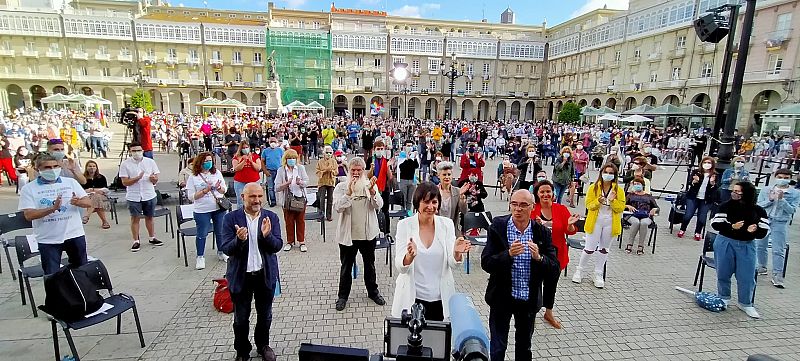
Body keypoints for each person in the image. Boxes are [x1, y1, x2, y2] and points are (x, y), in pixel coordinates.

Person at [482, 190, 558, 361]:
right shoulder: (497, 227)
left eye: (523, 205)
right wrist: (507, 255)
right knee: (497, 347)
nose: (518, 209)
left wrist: (539, 258)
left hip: (528, 301)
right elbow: (486, 263)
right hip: (501, 298)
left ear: (532, 207)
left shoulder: (541, 232)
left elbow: (554, 268)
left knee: (524, 347)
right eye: (514, 204)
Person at [220, 183, 282, 361]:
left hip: (264, 274)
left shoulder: (271, 217)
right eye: (252, 197)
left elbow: (277, 246)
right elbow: (226, 249)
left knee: (265, 315)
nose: (257, 200)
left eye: (260, 196)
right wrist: (239, 240)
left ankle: (263, 345)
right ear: (243, 197)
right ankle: (242, 350)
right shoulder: (231, 219)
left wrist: (267, 236)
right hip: (241, 276)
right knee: (241, 318)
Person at [392, 182, 472, 321]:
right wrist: (409, 256)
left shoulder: (446, 224)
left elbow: (453, 264)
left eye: (434, 202)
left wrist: (456, 253)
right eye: (426, 202)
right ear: (417, 203)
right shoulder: (405, 225)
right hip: (412, 298)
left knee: (438, 340)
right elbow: (400, 267)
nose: (430, 207)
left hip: (440, 298)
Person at [18, 153, 93, 274]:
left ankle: (80, 292)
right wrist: (52, 208)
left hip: (74, 234)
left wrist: (78, 202)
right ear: (38, 169)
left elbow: (88, 202)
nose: (52, 170)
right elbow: (29, 215)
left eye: (55, 166)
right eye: (47, 168)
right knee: (52, 276)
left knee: (81, 271)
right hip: (48, 239)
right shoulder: (29, 189)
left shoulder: (70, 183)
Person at [332, 157, 386, 311]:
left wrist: (373, 192)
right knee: (346, 266)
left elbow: (379, 205)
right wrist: (348, 193)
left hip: (367, 234)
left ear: (363, 171)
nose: (356, 173)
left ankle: (373, 292)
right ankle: (342, 296)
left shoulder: (369, 185)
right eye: (353, 170)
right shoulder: (341, 187)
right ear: (349, 170)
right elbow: (338, 208)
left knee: (370, 265)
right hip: (348, 235)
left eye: (359, 170)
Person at [709, 181, 769, 318]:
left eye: (738, 192)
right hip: (725, 242)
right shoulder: (725, 206)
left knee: (746, 276)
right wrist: (731, 227)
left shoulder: (758, 210)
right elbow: (715, 223)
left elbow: (764, 231)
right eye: (733, 191)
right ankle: (723, 297)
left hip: (747, 245)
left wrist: (755, 230)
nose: (734, 194)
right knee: (723, 272)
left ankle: (746, 303)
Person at [530, 180, 579, 329]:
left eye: (548, 191)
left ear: (553, 194)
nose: (545, 194)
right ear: (537, 194)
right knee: (535, 284)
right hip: (537, 254)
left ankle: (548, 312)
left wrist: (570, 225)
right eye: (542, 192)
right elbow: (525, 230)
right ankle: (532, 311)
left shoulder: (561, 209)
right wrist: (535, 225)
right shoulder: (532, 210)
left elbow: (570, 231)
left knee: (551, 285)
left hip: (556, 254)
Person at [572, 163, 625, 288]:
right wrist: (598, 201)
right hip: (595, 221)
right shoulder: (593, 188)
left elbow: (620, 208)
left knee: (604, 249)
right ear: (601, 173)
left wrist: (612, 201)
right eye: (606, 172)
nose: (608, 175)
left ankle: (598, 273)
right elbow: (588, 205)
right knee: (589, 248)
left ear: (615, 175)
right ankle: (579, 270)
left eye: (611, 173)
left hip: (610, 221)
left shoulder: (619, 190)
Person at [756, 168, 799, 288]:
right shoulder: (767, 189)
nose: (783, 180)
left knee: (778, 249)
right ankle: (761, 267)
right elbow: (759, 205)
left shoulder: (795, 193)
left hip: (780, 222)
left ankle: (777, 275)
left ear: (790, 179)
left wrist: (782, 200)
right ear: (776, 177)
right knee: (760, 245)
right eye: (780, 177)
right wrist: (770, 199)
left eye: (786, 178)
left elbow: (792, 210)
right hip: (765, 219)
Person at [186, 152, 229, 269]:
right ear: (199, 163)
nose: (208, 163)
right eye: (205, 161)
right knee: (202, 233)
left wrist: (219, 187)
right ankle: (200, 256)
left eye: (210, 161)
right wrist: (205, 191)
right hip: (202, 209)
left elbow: (224, 190)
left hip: (218, 207)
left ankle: (221, 251)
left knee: (220, 231)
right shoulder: (193, 177)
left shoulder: (216, 173)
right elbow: (191, 196)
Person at [119, 142, 163, 252]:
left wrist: (153, 179)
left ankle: (152, 237)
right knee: (135, 218)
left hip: (149, 194)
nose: (137, 153)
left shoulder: (150, 162)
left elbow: (156, 178)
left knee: (150, 217)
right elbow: (125, 182)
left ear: (142, 150)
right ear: (130, 152)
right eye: (134, 151)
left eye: (138, 150)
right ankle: (136, 241)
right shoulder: (125, 164)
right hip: (134, 196)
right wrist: (137, 178)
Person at [275, 149, 309, 252]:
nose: (291, 160)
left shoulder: (300, 168)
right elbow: (277, 187)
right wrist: (286, 183)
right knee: (289, 221)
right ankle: (289, 241)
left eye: (293, 158)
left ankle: (301, 241)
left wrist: (300, 182)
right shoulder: (281, 170)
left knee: (300, 221)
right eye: (289, 158)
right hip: (287, 200)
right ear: (285, 159)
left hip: (300, 198)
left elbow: (307, 182)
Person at [678, 156, 719, 241]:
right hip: (693, 197)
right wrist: (694, 181)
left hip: (706, 199)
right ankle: (682, 229)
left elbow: (716, 188)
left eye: (709, 163)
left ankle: (698, 232)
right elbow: (690, 182)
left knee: (702, 217)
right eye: (705, 162)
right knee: (688, 215)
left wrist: (712, 184)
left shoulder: (715, 175)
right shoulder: (696, 172)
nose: (707, 164)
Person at [623, 176, 658, 255]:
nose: (636, 185)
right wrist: (628, 206)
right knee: (636, 222)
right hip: (632, 215)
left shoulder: (649, 196)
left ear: (642, 185)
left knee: (644, 223)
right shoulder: (630, 195)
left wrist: (654, 209)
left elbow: (657, 208)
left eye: (638, 184)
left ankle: (641, 246)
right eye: (634, 184)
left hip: (646, 216)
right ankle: (630, 244)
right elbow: (621, 205)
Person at [366, 140, 395, 233]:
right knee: (372, 212)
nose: (380, 151)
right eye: (378, 149)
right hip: (373, 189)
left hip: (384, 188)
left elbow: (390, 177)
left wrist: (388, 167)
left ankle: (387, 232)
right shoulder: (370, 160)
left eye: (382, 149)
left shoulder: (385, 161)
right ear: (374, 150)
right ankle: (373, 232)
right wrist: (372, 168)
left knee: (385, 211)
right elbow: (367, 176)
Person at [435, 161, 467, 236]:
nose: (447, 177)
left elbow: (464, 211)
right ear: (439, 176)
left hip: (452, 230)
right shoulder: (434, 191)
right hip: (437, 230)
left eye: (449, 174)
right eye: (444, 175)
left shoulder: (457, 191)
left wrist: (462, 199)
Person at [81, 160, 111, 229]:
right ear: (86, 167)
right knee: (96, 200)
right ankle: (104, 222)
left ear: (96, 168)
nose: (92, 168)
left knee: (96, 197)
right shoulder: (83, 178)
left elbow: (105, 190)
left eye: (94, 166)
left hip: (102, 197)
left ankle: (87, 216)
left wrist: (92, 190)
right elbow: (81, 190)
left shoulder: (101, 177)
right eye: (90, 166)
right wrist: (96, 191)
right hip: (88, 197)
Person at [232, 141, 262, 207]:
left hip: (254, 181)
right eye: (243, 148)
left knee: (255, 200)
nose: (245, 149)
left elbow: (258, 168)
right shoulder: (236, 157)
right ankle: (241, 215)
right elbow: (236, 168)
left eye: (246, 147)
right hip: (240, 182)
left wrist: (251, 162)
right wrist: (244, 161)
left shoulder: (255, 156)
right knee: (241, 201)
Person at [316, 145, 338, 221]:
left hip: (331, 182)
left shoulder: (334, 161)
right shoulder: (320, 161)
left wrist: (331, 171)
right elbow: (317, 172)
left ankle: (329, 216)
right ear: (324, 153)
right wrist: (325, 170)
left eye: (330, 152)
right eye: (327, 152)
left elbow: (336, 172)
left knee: (330, 199)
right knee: (321, 199)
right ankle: (320, 216)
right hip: (322, 182)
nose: (328, 154)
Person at [261, 137, 284, 207]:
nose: (273, 143)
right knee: (270, 187)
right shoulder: (265, 151)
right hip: (269, 171)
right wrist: (265, 171)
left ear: (277, 142)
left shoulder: (280, 150)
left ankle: (282, 200)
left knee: (281, 186)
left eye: (274, 141)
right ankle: (273, 201)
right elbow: (262, 161)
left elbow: (283, 160)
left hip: (279, 171)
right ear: (269, 142)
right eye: (271, 141)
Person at [397, 146, 420, 215]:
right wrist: (406, 159)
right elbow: (401, 167)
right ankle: (402, 212)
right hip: (403, 180)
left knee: (409, 199)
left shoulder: (412, 161)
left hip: (411, 181)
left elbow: (416, 166)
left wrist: (415, 157)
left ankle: (408, 213)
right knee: (403, 199)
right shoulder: (402, 157)